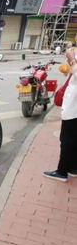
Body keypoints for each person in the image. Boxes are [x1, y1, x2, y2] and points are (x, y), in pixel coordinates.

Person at [43, 35, 77, 182]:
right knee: (74, 138)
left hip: (74, 106)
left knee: (67, 139)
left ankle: (62, 171)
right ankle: (73, 168)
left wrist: (72, 59)